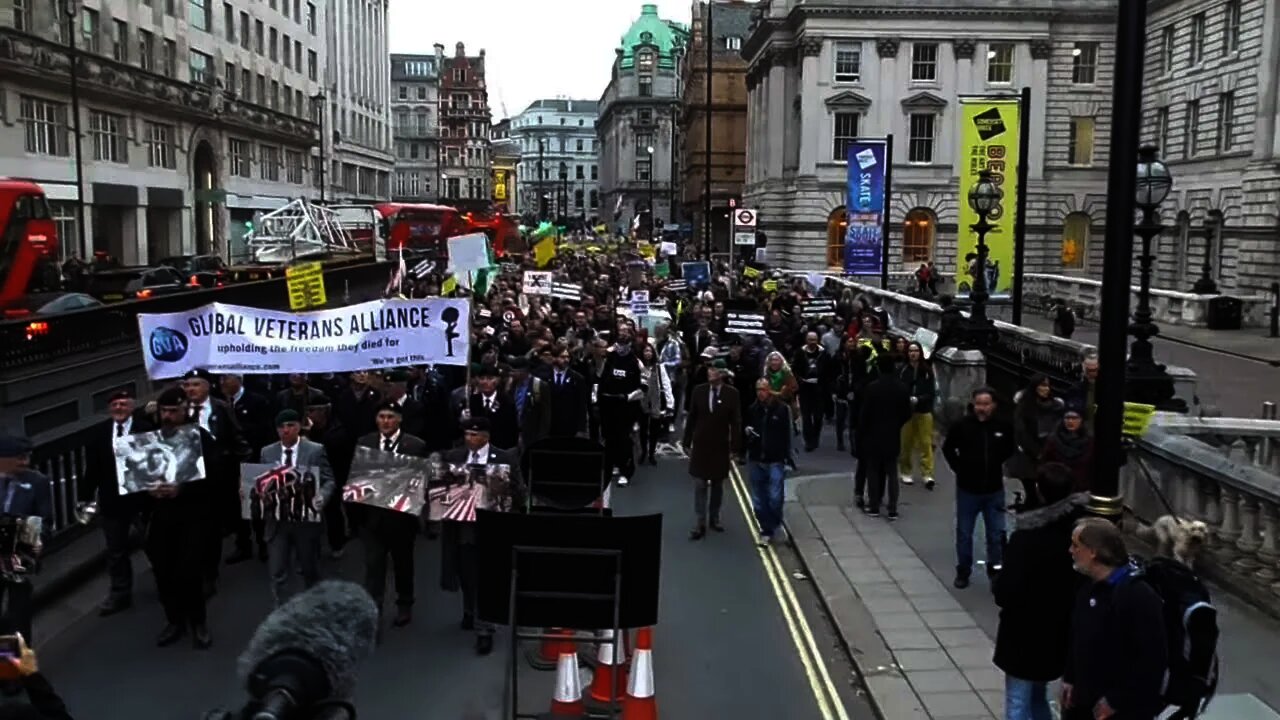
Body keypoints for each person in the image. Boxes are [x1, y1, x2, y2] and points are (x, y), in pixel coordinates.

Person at [992, 463, 1089, 720]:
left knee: (1018, 703)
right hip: (1056, 636)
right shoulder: (1078, 538)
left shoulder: (1025, 539)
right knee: (1037, 697)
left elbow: (1004, 592)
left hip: (1023, 636)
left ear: (1038, 490)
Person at [1063, 518, 1168, 720]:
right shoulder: (1088, 586)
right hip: (1084, 704)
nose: (1070, 551)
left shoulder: (1137, 595)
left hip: (1120, 711)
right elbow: (1078, 636)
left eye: (1076, 545)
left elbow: (1151, 660)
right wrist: (1070, 677)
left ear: (1093, 551)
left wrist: (1116, 701)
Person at [145, 386, 218, 649]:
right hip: (162, 516)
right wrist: (149, 491)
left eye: (173, 411)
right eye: (164, 411)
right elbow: (136, 474)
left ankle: (199, 622)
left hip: (192, 515)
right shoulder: (150, 441)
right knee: (164, 571)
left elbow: (213, 475)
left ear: (184, 411)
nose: (168, 416)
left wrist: (183, 488)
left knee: (189, 571)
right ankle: (174, 620)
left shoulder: (199, 438)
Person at [441, 417, 521, 655]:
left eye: (475, 435)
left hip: (492, 528)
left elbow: (518, 489)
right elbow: (440, 489)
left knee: (486, 577)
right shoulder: (454, 457)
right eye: (467, 434)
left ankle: (484, 628)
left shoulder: (504, 458)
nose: (470, 439)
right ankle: (470, 610)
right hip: (463, 527)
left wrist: (509, 499)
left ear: (486, 437)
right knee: (467, 574)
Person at [355, 403, 427, 628]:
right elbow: (358, 478)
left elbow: (423, 480)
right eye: (381, 416)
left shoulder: (415, 445)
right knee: (373, 565)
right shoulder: (365, 443)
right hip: (373, 518)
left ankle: (404, 603)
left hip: (402, 517)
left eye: (390, 417)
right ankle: (373, 608)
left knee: (403, 564)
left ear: (399, 420)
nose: (385, 421)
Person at [85, 389, 154, 616]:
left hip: (142, 500)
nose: (118, 408)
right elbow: (92, 469)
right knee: (116, 552)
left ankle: (167, 584)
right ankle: (120, 593)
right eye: (114, 405)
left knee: (154, 545)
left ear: (131, 406)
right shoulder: (100, 433)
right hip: (112, 501)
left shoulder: (146, 428)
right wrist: (84, 497)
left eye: (123, 404)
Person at [258, 410, 335, 606]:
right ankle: (283, 611)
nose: (286, 430)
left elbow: (329, 480)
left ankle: (313, 606)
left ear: (299, 427)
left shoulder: (315, 450)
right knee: (277, 570)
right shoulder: (267, 452)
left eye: (291, 426)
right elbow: (261, 481)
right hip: (277, 520)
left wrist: (322, 497)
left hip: (305, 520)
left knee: (309, 567)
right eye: (282, 427)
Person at [942, 387, 1016, 589]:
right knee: (965, 533)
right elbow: (948, 448)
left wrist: (998, 463)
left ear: (993, 405)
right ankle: (963, 570)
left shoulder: (1003, 427)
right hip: (968, 489)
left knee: (996, 533)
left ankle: (995, 569)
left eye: (986, 404)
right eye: (978, 404)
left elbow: (1010, 448)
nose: (982, 408)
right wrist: (959, 468)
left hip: (993, 489)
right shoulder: (962, 426)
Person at [0, 436, 52, 645]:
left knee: (18, 616)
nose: (24, 463)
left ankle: (18, 669)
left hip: (19, 554)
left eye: (26, 457)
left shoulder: (37, 482)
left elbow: (45, 520)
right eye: (18, 458)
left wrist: (39, 540)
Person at [682, 360, 742, 540]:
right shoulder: (698, 391)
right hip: (700, 444)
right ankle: (700, 521)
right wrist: (686, 441)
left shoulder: (732, 394)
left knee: (717, 485)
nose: (711, 372)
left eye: (715, 369)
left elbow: (736, 422)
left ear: (722, 373)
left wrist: (735, 447)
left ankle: (714, 517)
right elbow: (692, 417)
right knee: (700, 484)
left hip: (720, 445)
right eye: (710, 369)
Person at [857, 354, 913, 520]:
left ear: (879, 368)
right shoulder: (902, 388)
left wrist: (862, 431)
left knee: (873, 471)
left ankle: (874, 505)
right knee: (892, 472)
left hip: (873, 434)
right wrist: (897, 424)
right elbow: (907, 413)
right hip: (892, 434)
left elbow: (865, 413)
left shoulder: (872, 387)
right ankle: (893, 508)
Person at [744, 378, 791, 545]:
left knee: (775, 497)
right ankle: (766, 530)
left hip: (775, 459)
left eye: (763, 389)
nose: (760, 393)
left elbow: (788, 435)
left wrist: (788, 457)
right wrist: (747, 431)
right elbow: (746, 428)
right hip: (756, 458)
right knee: (758, 501)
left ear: (770, 389)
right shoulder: (752, 409)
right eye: (758, 389)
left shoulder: (782, 409)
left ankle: (775, 524)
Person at [596, 328, 645, 486]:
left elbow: (643, 388)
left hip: (626, 408)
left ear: (630, 343)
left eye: (625, 341)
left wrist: (627, 397)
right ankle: (611, 466)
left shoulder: (636, 362)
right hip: (608, 406)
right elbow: (598, 378)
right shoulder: (608, 359)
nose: (621, 346)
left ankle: (626, 470)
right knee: (609, 439)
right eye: (619, 341)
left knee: (624, 440)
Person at [897, 342, 936, 489]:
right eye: (911, 351)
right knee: (906, 443)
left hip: (923, 410)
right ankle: (906, 471)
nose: (913, 354)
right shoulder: (902, 370)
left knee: (925, 443)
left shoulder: (926, 371)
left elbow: (931, 392)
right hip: (907, 412)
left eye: (916, 351)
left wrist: (919, 399)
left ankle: (927, 473)